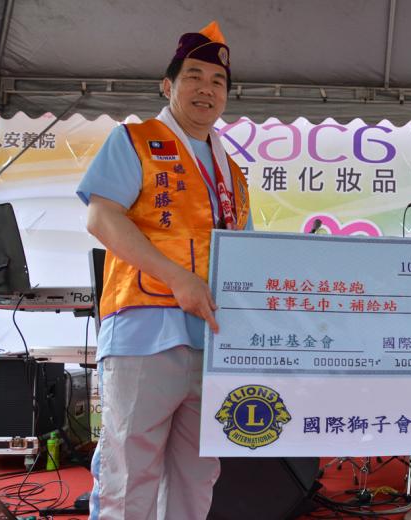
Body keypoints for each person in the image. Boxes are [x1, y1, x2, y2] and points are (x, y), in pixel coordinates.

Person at [76, 21, 251, 520]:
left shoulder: (233, 172)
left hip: (213, 340)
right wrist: (178, 278)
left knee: (197, 475)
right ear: (167, 85)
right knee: (129, 473)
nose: (206, 89)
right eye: (194, 76)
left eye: (218, 81)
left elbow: (247, 253)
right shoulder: (134, 140)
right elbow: (100, 217)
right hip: (144, 329)